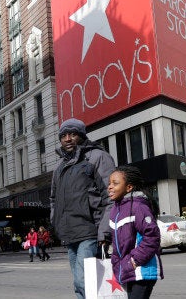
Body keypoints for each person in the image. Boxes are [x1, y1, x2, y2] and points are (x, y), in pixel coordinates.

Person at [50, 118, 115, 299]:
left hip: (90, 231)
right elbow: (53, 199)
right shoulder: (59, 167)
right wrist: (55, 221)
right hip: (69, 233)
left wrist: (104, 232)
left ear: (82, 135)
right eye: (63, 135)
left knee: (83, 281)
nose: (68, 139)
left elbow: (111, 196)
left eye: (73, 134)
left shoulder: (98, 157)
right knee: (81, 285)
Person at [108, 166, 163, 298]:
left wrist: (134, 261)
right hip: (127, 270)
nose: (110, 187)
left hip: (142, 270)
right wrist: (117, 264)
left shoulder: (138, 206)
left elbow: (152, 237)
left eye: (115, 183)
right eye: (109, 183)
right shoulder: (115, 210)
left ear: (129, 187)